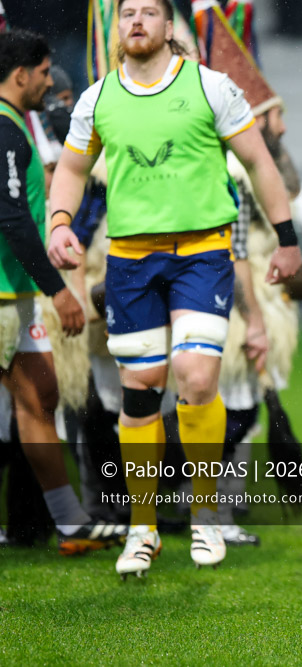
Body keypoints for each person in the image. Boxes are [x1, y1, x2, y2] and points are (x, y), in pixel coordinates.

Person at [46, 0, 301, 580]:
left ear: (167, 26)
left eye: (148, 12)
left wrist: (286, 239)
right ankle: (144, 529)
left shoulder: (212, 88)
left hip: (202, 254)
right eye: (127, 12)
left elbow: (258, 162)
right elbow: (72, 170)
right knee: (140, 391)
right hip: (131, 261)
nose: (136, 20)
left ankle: (206, 512)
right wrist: (60, 224)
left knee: (197, 375)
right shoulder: (97, 98)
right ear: (119, 28)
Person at [0, 27, 125, 555]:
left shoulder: (16, 127)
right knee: (33, 401)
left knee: (41, 397)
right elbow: (10, 216)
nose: (50, 83)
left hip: (15, 291)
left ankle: (69, 522)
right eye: (46, 72)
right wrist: (60, 291)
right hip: (5, 293)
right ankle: (67, 521)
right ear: (21, 73)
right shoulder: (4, 130)